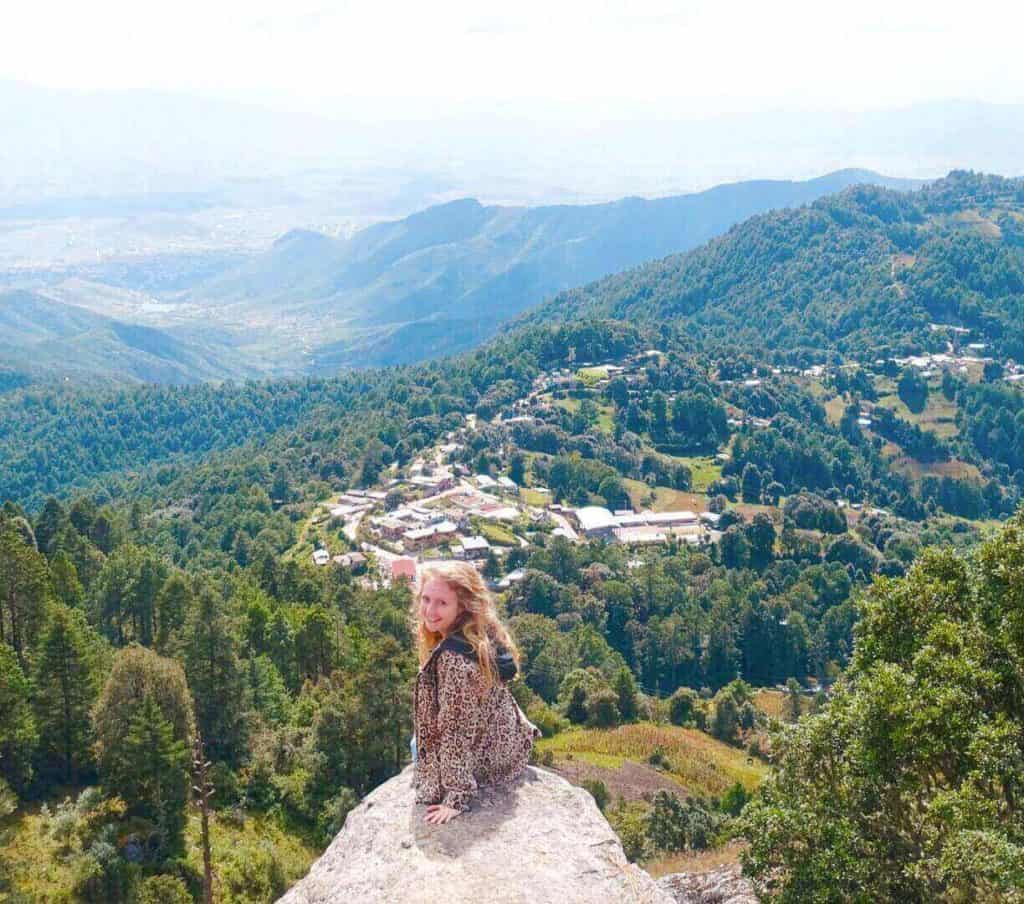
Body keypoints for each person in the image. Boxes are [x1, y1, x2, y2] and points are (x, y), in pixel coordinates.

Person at [412, 560, 540, 825]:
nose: (430, 610)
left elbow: (456, 728)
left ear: (462, 607)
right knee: (418, 741)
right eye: (426, 599)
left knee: (417, 746)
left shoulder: (453, 659)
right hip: (505, 739)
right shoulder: (480, 631)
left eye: (442, 603)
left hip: (488, 755)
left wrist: (456, 796)